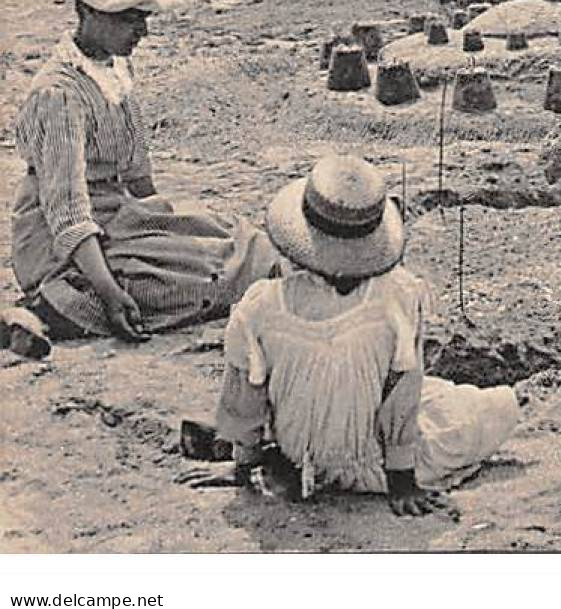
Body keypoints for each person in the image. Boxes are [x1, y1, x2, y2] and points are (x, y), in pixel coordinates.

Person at [185, 155, 519, 514]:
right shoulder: (397, 299)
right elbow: (401, 402)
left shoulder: (260, 306)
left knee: (299, 384)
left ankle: (265, 454)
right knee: (488, 407)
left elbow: (247, 396)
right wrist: (402, 484)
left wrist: (243, 468)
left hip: (301, 453)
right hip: (372, 467)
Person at [7, 0, 280, 349]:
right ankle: (42, 313)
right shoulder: (59, 95)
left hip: (116, 215)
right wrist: (109, 291)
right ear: (86, 12)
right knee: (175, 284)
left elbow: (137, 173)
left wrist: (168, 226)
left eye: (144, 18)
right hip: (60, 242)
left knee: (227, 241)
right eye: (129, 19)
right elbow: (67, 212)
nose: (142, 32)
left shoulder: (115, 67)